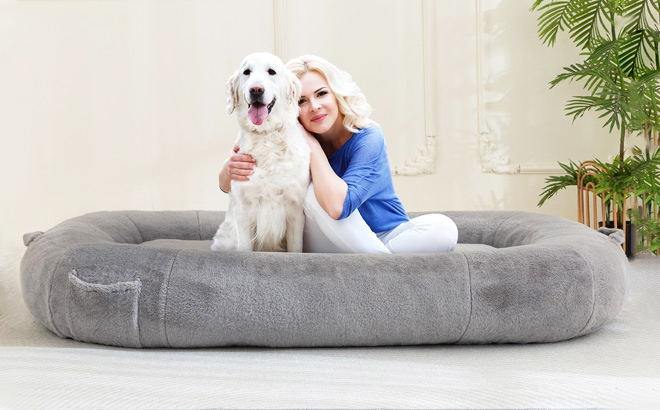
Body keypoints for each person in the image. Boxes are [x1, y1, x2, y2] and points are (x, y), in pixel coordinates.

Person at [218, 55, 458, 254]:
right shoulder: (282, 141)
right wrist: (227, 170)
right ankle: (383, 266)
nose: (314, 106)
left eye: (322, 94)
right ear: (290, 101)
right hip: (330, 239)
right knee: (312, 195)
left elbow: (338, 205)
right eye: (302, 100)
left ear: (337, 94)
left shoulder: (369, 136)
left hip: (387, 235)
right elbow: (241, 185)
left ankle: (376, 260)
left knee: (444, 228)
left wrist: (309, 142)